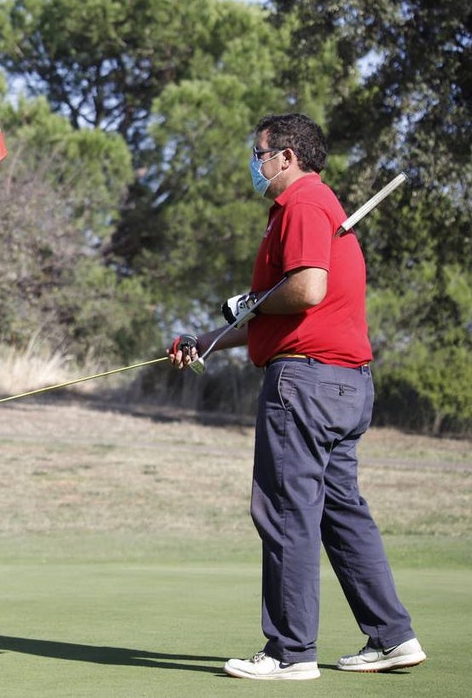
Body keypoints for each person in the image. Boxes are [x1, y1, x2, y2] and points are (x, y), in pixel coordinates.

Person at [168, 113, 424, 681]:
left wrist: (252, 299)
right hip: (342, 383)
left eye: (259, 154)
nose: (255, 165)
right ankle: (392, 637)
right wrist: (213, 338)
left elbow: (306, 289)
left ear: (287, 155)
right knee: (340, 512)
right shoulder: (313, 208)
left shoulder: (304, 204)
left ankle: (290, 652)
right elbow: (279, 310)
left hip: (305, 384)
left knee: (286, 512)